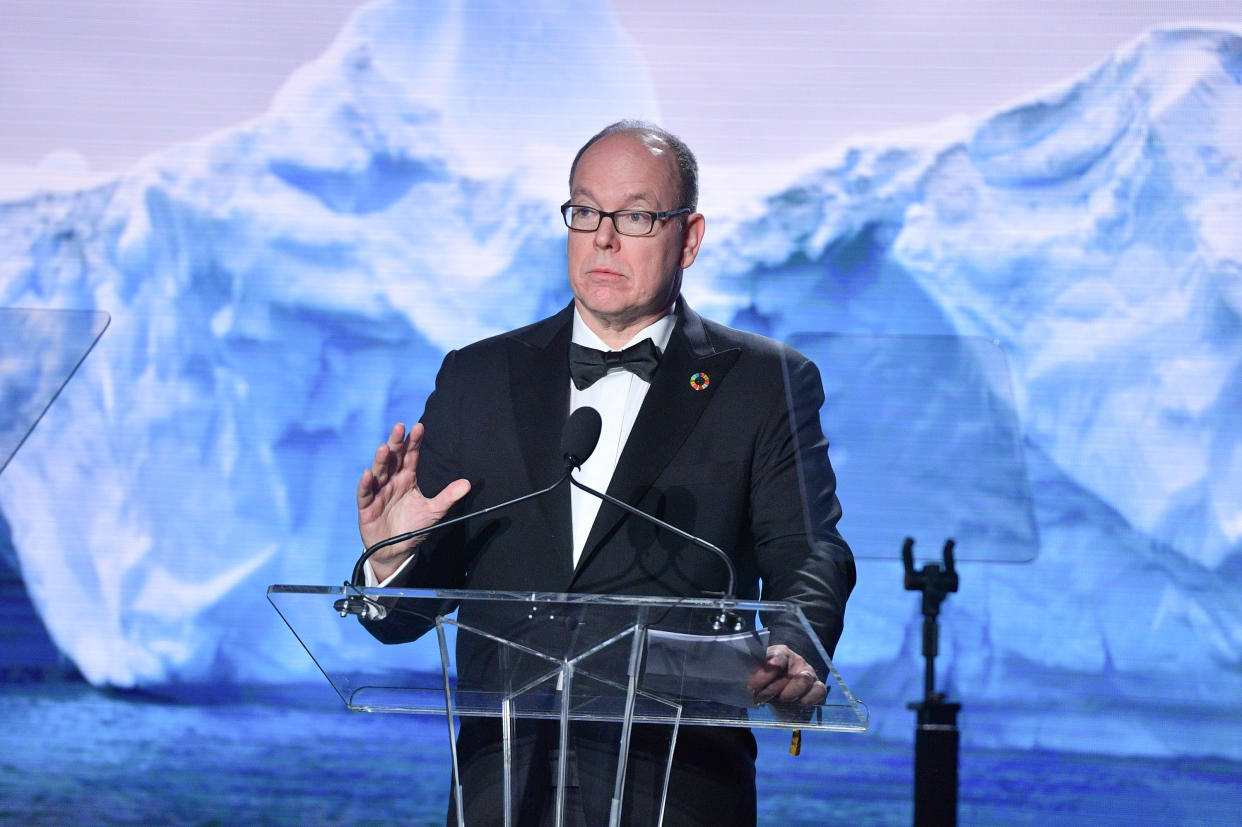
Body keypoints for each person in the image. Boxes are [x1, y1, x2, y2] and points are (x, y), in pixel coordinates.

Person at [355, 120, 855, 825]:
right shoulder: (478, 375)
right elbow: (402, 618)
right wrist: (395, 557)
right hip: (504, 789)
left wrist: (796, 648)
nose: (604, 238)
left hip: (677, 790)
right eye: (586, 211)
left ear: (690, 237)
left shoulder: (764, 382)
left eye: (637, 215)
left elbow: (810, 549)